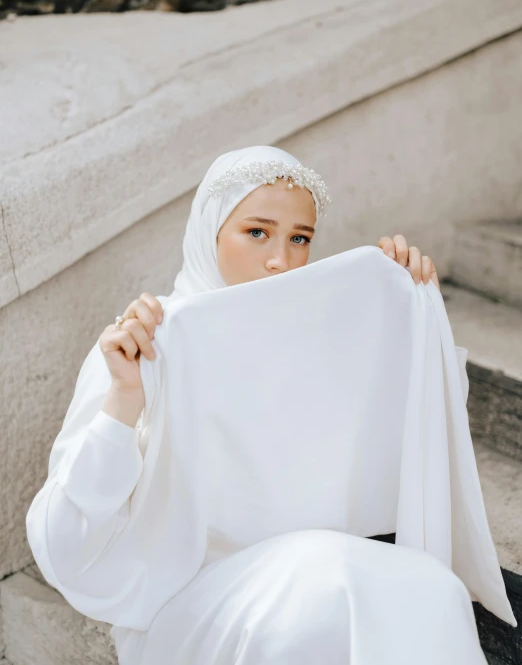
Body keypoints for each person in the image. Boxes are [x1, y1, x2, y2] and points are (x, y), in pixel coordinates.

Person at [26, 145, 514, 665]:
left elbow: (407, 444)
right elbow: (63, 541)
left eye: (299, 238)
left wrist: (407, 311)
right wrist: (125, 399)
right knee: (326, 585)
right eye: (256, 232)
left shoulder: (315, 342)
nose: (281, 259)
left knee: (433, 588)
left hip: (311, 575)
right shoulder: (144, 343)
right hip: (182, 607)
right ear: (210, 231)